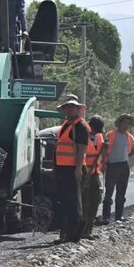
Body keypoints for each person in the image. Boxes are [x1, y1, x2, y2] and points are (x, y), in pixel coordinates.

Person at [52, 97, 89, 243]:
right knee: (66, 202)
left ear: (78, 109)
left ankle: (74, 235)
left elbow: (81, 149)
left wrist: (78, 169)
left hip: (73, 169)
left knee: (74, 202)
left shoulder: (80, 126)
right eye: (67, 107)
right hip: (62, 169)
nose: (69, 109)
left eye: (72, 107)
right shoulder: (67, 124)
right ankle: (67, 234)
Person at [100, 114, 134, 223]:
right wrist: (103, 163)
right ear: (119, 123)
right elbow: (104, 149)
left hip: (124, 166)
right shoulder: (111, 134)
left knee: (121, 192)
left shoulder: (129, 137)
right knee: (109, 192)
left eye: (128, 123)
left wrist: (126, 157)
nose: (126, 125)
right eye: (124, 122)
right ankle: (106, 217)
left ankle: (118, 216)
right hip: (112, 165)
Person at [79, 115, 106, 239]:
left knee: (95, 200)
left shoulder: (99, 135)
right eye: (94, 130)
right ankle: (81, 230)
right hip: (84, 173)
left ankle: (89, 229)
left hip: (95, 173)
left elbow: (101, 152)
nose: (96, 133)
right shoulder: (82, 133)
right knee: (84, 202)